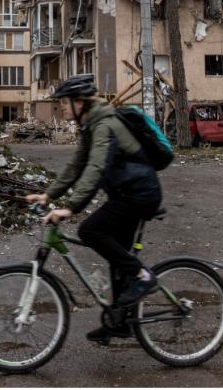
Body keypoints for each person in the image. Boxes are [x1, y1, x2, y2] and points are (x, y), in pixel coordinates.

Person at [25, 74, 163, 343]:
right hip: (126, 194)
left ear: (80, 103)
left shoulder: (104, 125)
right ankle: (120, 321)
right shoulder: (91, 125)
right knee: (118, 258)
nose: (61, 108)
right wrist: (48, 195)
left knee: (90, 231)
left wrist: (70, 208)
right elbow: (76, 165)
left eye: (64, 103)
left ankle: (143, 276)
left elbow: (95, 168)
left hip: (139, 195)